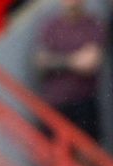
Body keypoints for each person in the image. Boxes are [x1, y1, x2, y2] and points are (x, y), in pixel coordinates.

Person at [34, 0, 107, 141]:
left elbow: (90, 63)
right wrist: (74, 60)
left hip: (83, 103)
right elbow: (40, 61)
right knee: (56, 156)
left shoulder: (93, 25)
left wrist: (56, 60)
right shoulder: (51, 26)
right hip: (56, 103)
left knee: (86, 155)